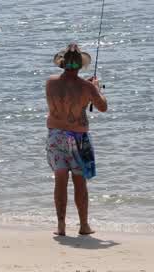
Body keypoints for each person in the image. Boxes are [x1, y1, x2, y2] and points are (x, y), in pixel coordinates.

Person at [46, 43, 107, 237]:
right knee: (80, 183)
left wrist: (88, 88)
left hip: (56, 136)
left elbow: (68, 91)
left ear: (62, 64)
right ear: (80, 65)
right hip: (78, 138)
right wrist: (95, 88)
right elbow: (103, 107)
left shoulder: (50, 82)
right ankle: (83, 226)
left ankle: (61, 225)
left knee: (60, 181)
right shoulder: (87, 87)